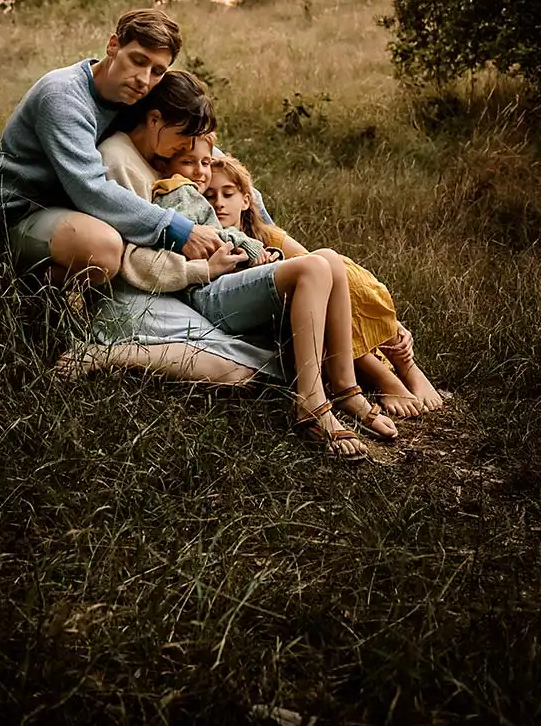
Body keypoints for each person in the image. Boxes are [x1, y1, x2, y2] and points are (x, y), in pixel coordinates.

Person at [88, 71, 399, 458]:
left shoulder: (173, 158)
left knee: (329, 260)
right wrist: (207, 267)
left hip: (223, 276)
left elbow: (230, 195)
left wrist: (257, 252)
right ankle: (312, 402)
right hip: (196, 290)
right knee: (313, 268)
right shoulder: (127, 163)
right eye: (185, 143)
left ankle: (345, 388)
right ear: (155, 122)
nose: (195, 157)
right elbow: (130, 254)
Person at [0, 7, 226, 283]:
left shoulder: (135, 93)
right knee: (104, 249)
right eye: (137, 60)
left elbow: (199, 145)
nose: (144, 79)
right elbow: (90, 190)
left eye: (157, 71)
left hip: (71, 208)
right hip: (20, 213)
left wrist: (248, 197)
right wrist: (177, 230)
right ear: (113, 46)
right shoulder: (63, 96)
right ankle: (15, 290)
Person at [203, 151, 444, 416]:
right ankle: (384, 378)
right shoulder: (214, 240)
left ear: (247, 200)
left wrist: (391, 324)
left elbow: (316, 264)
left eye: (228, 194)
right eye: (210, 196)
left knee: (336, 265)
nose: (219, 204)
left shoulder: (265, 234)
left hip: (310, 293)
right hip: (267, 310)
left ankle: (405, 362)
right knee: (320, 286)